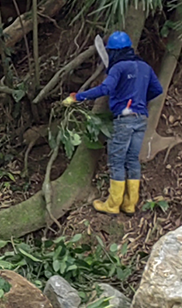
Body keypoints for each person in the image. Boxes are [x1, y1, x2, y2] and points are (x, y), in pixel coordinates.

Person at [64, 30, 164, 216]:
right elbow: (157, 89)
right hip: (141, 118)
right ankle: (130, 203)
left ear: (114, 52)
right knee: (132, 160)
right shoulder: (144, 67)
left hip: (124, 120)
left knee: (117, 161)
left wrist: (78, 97)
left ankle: (112, 204)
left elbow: (105, 88)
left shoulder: (118, 68)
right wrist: (139, 100)